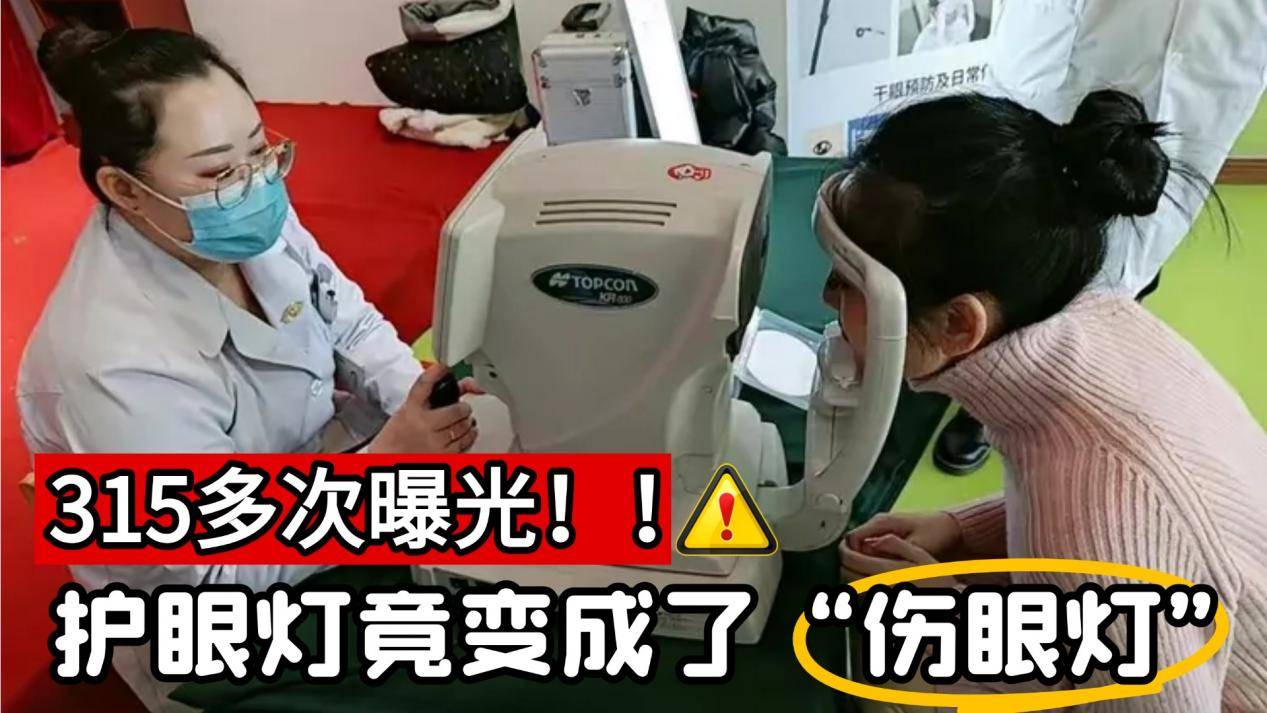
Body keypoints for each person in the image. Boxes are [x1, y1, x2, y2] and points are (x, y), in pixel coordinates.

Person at [17, 25, 477, 711]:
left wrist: (412, 390)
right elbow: (216, 575)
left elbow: (344, 315)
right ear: (124, 189)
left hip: (319, 489)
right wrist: (384, 468)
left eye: (260, 149)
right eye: (216, 172)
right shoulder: (110, 362)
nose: (255, 183)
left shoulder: (234, 215)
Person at [822, 90, 1266, 710]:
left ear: (959, 326)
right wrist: (963, 529)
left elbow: (1106, 525)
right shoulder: (1093, 322)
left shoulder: (1100, 516)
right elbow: (1127, 520)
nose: (826, 297)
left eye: (850, 281)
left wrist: (953, 630)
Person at [928, 0, 1267, 475]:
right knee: (1028, 233)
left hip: (1216, 60)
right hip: (1082, 56)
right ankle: (988, 393)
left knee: (1144, 235)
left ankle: (1059, 379)